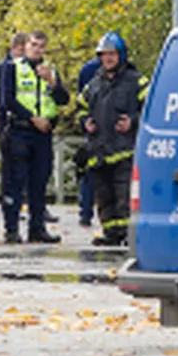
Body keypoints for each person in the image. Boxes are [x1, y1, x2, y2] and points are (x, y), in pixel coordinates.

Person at [77, 31, 148, 247]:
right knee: (103, 196)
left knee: (123, 195)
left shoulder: (137, 81)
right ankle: (111, 233)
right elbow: (80, 107)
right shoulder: (94, 83)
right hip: (99, 150)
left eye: (112, 54)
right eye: (104, 55)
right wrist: (85, 122)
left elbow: (152, 109)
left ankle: (128, 235)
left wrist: (133, 122)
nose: (108, 59)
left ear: (121, 55)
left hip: (125, 150)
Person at [0, 30, 69, 244]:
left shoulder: (50, 70)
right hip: (20, 130)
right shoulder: (12, 68)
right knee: (15, 182)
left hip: (43, 134)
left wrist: (52, 82)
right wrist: (32, 118)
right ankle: (11, 229)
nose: (37, 49)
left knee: (39, 183)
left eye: (41, 46)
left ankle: (37, 228)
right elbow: (6, 100)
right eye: (34, 45)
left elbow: (63, 99)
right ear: (26, 46)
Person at [73, 54, 102, 228]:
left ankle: (86, 213)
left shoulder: (87, 69)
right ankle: (85, 213)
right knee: (89, 173)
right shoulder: (89, 71)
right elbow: (81, 102)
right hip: (96, 130)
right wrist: (85, 122)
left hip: (113, 132)